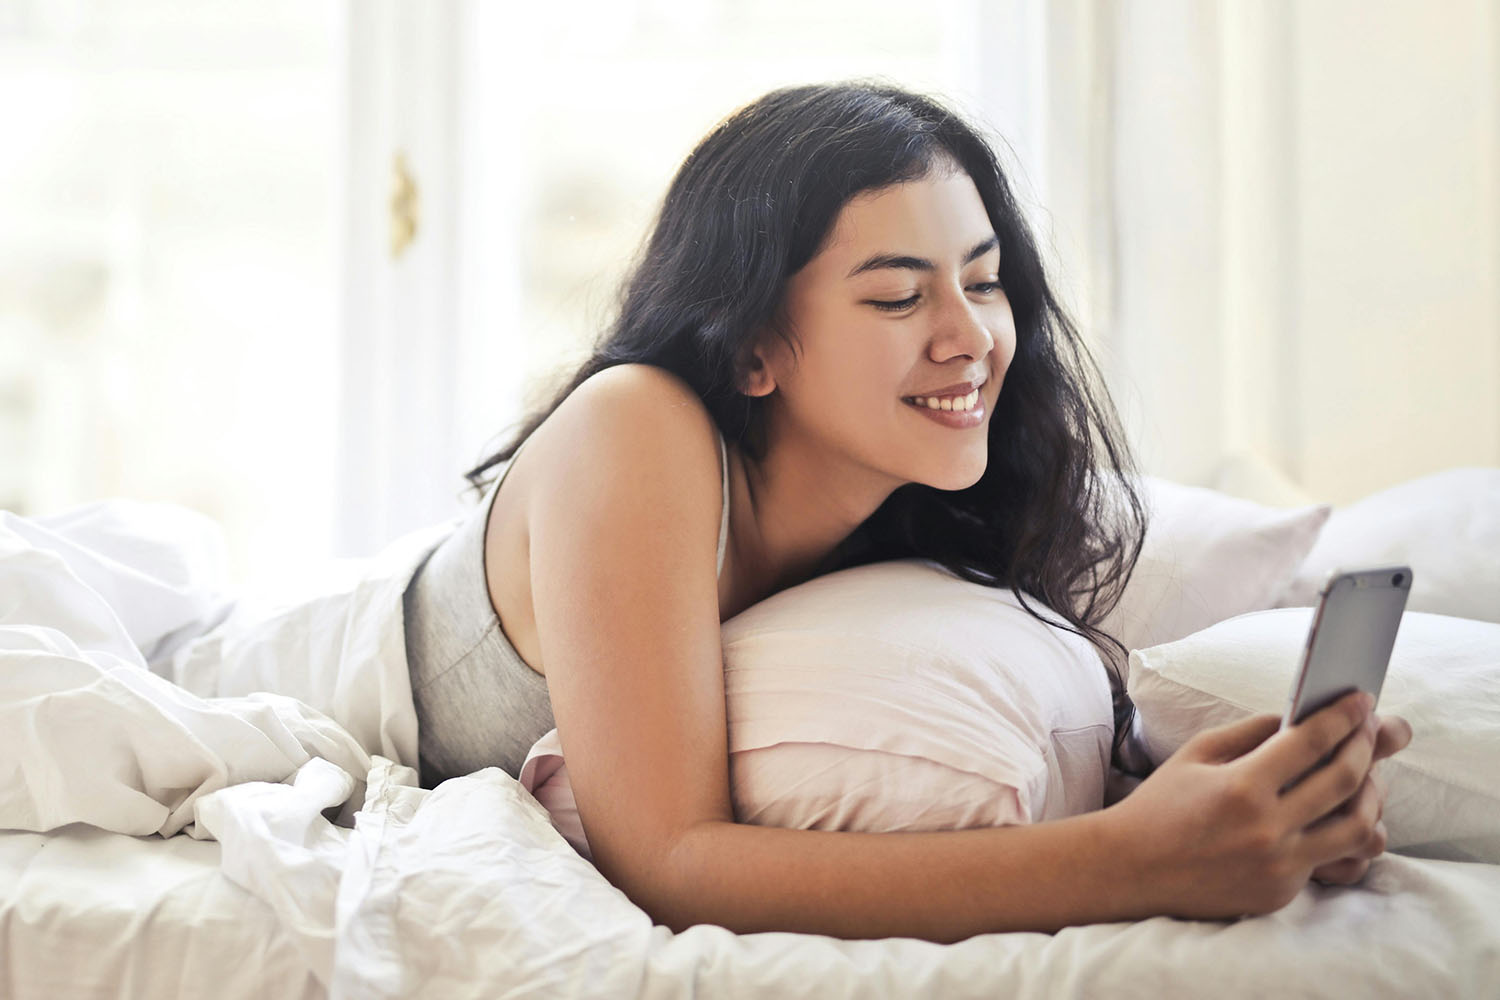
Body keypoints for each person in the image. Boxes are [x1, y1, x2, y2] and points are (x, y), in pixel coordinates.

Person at [401, 81, 1412, 942]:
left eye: (984, 280)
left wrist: (1217, 809)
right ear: (754, 347)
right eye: (898, 297)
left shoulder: (916, 506)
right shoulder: (634, 426)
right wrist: (1130, 859)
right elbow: (666, 859)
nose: (971, 335)